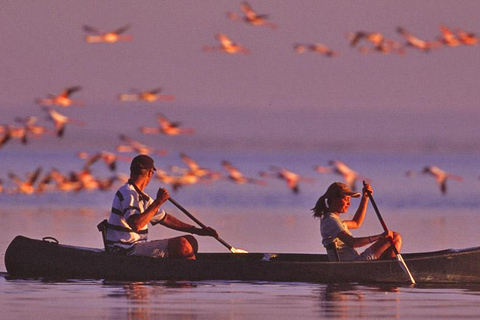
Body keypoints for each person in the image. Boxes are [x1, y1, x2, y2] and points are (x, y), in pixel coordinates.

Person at [106, 154, 218, 259]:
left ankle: (182, 275)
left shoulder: (142, 197)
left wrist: (198, 230)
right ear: (150, 173)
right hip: (124, 250)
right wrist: (158, 202)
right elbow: (136, 224)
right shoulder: (128, 193)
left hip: (135, 247)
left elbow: (166, 219)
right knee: (182, 245)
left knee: (191, 241)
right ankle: (192, 275)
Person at [312, 182, 402, 261]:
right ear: (334, 199)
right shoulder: (331, 221)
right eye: (346, 199)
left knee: (393, 236)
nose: (349, 204)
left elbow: (356, 223)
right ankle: (392, 267)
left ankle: (390, 265)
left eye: (349, 200)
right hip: (353, 264)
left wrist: (365, 198)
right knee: (395, 237)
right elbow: (353, 243)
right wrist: (379, 237)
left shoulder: (332, 219)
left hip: (355, 261)